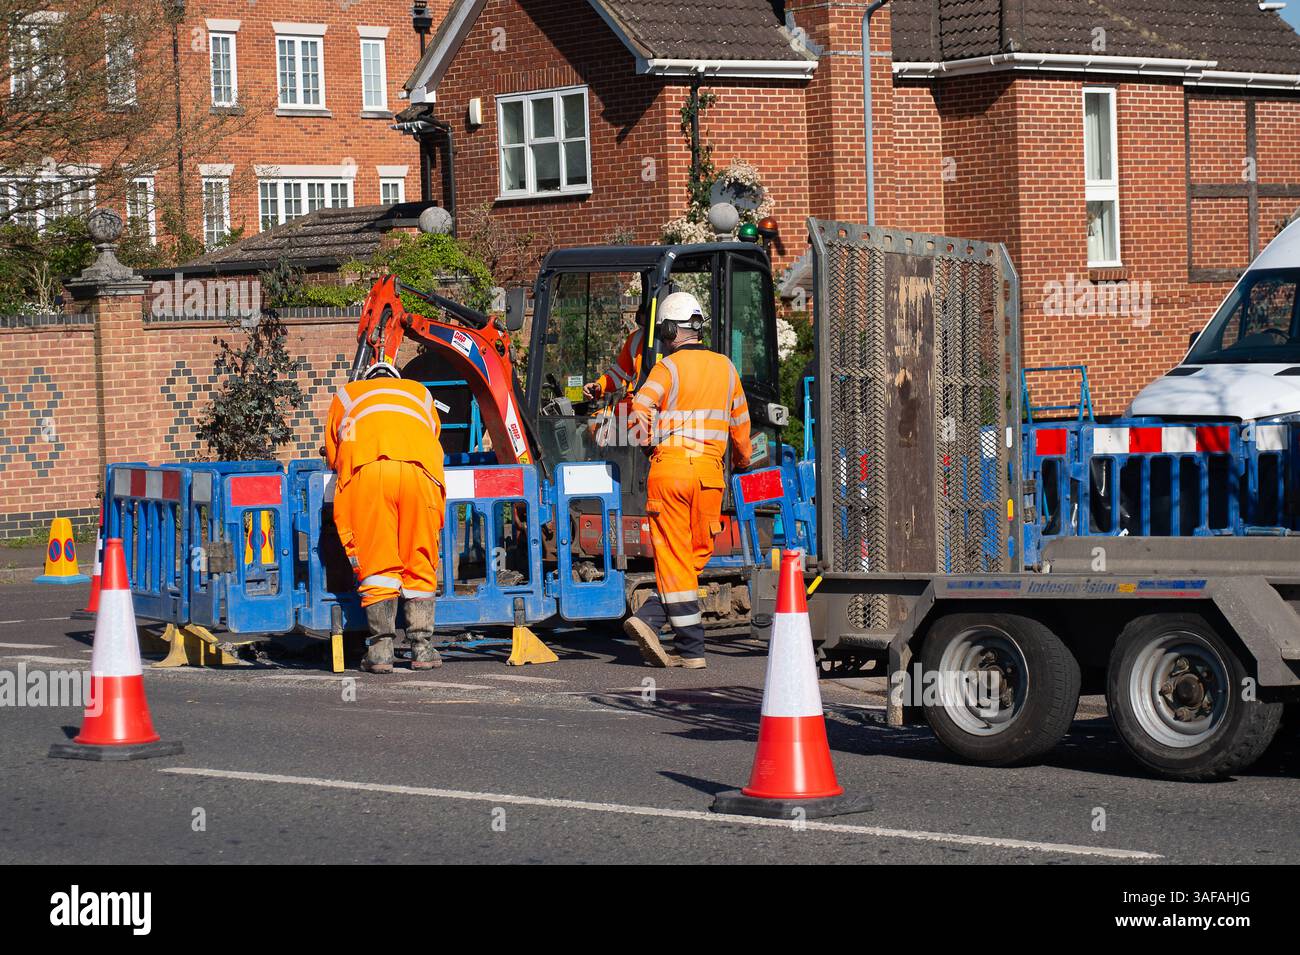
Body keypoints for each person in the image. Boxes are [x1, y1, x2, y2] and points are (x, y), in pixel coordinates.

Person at [623, 291, 751, 669]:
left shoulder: (668, 368)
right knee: (693, 557)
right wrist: (741, 462)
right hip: (711, 476)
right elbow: (741, 426)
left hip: (672, 470)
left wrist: (648, 445)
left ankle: (656, 622)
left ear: (667, 330)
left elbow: (640, 407)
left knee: (675, 559)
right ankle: (687, 646)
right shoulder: (726, 367)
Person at [325, 361, 446, 673]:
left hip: (368, 473)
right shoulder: (418, 392)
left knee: (377, 562)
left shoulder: (348, 395)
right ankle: (422, 648)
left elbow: (334, 453)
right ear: (396, 378)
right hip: (420, 472)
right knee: (420, 555)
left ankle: (380, 650)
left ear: (368, 379)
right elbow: (433, 433)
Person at [584, 304, 648, 400]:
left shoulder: (670, 345)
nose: (643, 331)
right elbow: (619, 374)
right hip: (634, 401)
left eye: (646, 327)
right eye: (642, 327)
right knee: (599, 415)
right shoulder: (636, 339)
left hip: (654, 408)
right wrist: (599, 386)